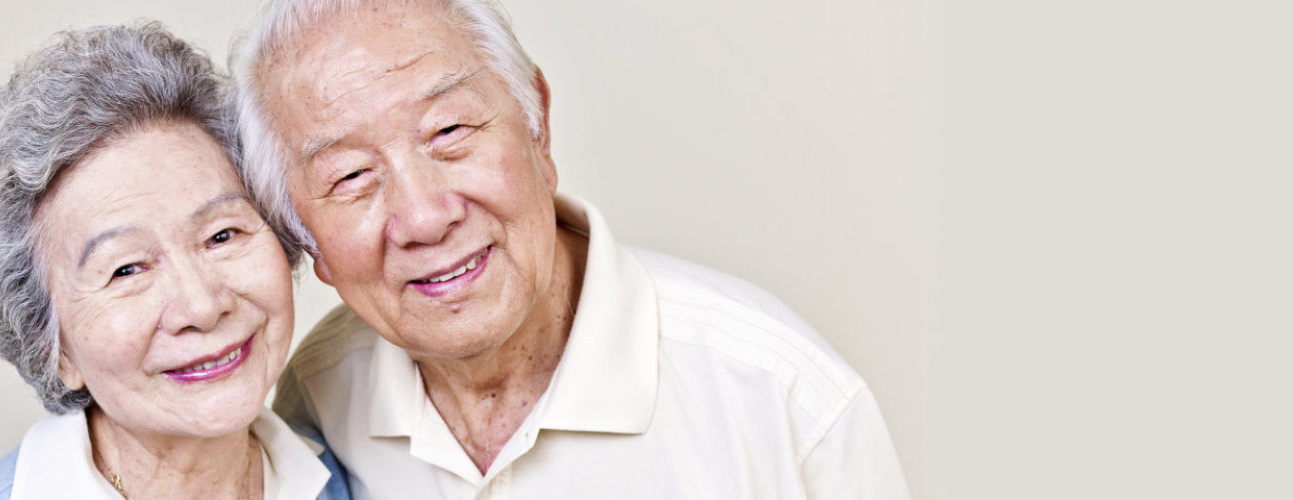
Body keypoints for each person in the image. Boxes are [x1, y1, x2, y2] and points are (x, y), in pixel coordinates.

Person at [230, 0, 910, 498]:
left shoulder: (782, 401)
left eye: (450, 130)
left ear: (537, 123)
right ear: (303, 237)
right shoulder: (314, 399)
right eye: (349, 177)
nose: (424, 217)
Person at [0, 22, 348, 500]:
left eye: (222, 235)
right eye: (127, 269)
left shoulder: (353, 473)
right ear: (53, 348)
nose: (201, 306)